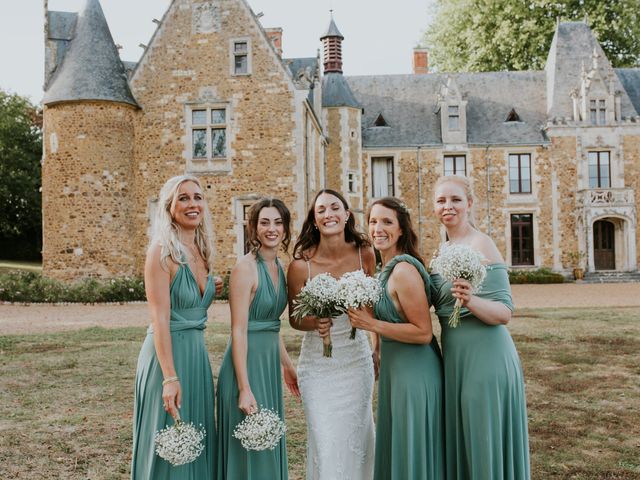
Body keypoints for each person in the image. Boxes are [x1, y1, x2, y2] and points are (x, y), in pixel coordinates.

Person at [430, 175, 530, 479]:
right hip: (456, 359)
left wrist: (470, 299)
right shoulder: (441, 251)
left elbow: (504, 312)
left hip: (486, 359)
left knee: (483, 438)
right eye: (441, 201)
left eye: (456, 200)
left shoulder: (481, 243)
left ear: (469, 204)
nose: (448, 206)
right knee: (466, 440)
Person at [131, 175, 223, 479]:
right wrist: (169, 377)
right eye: (183, 198)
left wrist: (210, 287)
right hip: (166, 361)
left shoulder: (202, 251)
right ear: (169, 206)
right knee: (167, 445)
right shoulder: (161, 252)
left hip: (196, 357)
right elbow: (160, 319)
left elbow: (191, 303)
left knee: (194, 441)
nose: (193, 204)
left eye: (197, 197)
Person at [348, 197, 444, 480]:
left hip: (416, 372)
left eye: (387, 222)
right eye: (373, 221)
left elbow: (423, 332)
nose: (378, 228)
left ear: (401, 229)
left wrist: (371, 324)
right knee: (400, 444)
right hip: (395, 369)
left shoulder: (403, 271)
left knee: (413, 446)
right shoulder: (383, 270)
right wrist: (377, 349)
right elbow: (393, 317)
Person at [287, 189, 376, 480]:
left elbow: (372, 308)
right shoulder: (302, 265)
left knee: (358, 439)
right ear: (314, 220)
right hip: (318, 367)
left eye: (335, 207)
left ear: (347, 214)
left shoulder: (365, 254)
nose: (329, 214)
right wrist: (315, 324)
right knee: (326, 443)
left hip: (356, 361)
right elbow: (295, 318)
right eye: (321, 210)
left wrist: (378, 349)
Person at [216, 197, 300, 479]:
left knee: (266, 441)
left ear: (286, 230)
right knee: (247, 449)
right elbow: (239, 330)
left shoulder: (280, 268)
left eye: (278, 222)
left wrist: (287, 365)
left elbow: (269, 325)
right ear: (254, 228)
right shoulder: (245, 268)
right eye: (264, 222)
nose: (271, 228)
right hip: (245, 368)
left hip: (268, 368)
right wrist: (244, 387)